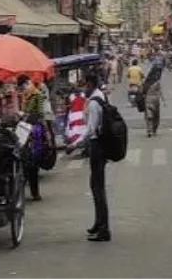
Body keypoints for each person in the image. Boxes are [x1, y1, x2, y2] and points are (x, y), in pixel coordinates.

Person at [70, 71, 110, 242]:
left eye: (85, 84)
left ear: (90, 84)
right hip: (99, 145)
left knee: (98, 188)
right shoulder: (99, 96)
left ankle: (104, 230)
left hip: (97, 146)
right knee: (95, 186)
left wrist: (74, 144)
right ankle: (98, 223)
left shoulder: (94, 102)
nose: (83, 88)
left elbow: (91, 129)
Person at [142, 66, 163, 138]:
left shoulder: (146, 82)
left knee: (149, 116)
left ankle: (149, 131)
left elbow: (143, 92)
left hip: (147, 100)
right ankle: (154, 130)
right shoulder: (157, 82)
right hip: (156, 100)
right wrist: (163, 100)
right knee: (156, 116)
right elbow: (160, 92)